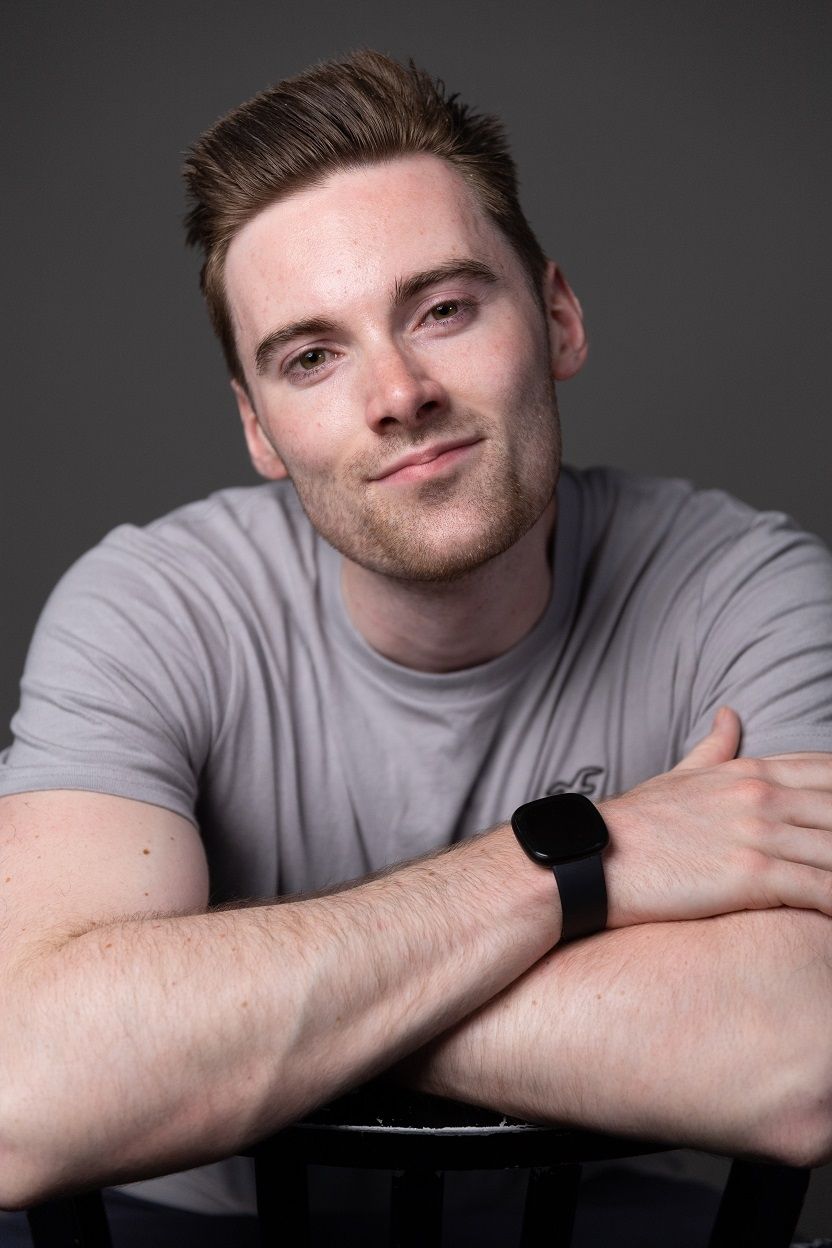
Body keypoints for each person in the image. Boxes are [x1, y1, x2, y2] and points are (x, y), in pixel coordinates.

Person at [2, 50, 832, 1247]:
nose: (397, 392)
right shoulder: (152, 605)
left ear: (555, 318)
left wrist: (254, 1015)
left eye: (442, 308)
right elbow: (28, 1087)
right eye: (311, 356)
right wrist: (585, 859)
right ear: (258, 427)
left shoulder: (746, 592)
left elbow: (797, 1049)